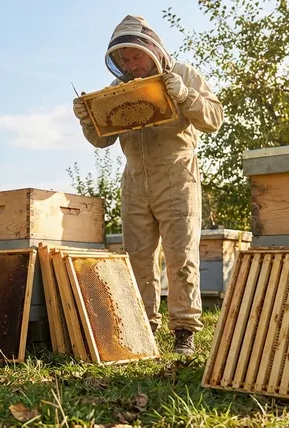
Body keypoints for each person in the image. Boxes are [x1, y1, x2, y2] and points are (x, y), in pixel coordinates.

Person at [72, 15, 224, 356]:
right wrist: (87, 120)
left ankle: (184, 330)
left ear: (152, 49)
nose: (131, 65)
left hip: (177, 177)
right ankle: (144, 328)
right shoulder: (118, 88)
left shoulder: (183, 74)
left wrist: (184, 95)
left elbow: (214, 118)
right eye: (124, 60)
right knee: (137, 259)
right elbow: (102, 140)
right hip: (134, 180)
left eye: (135, 57)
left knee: (181, 257)